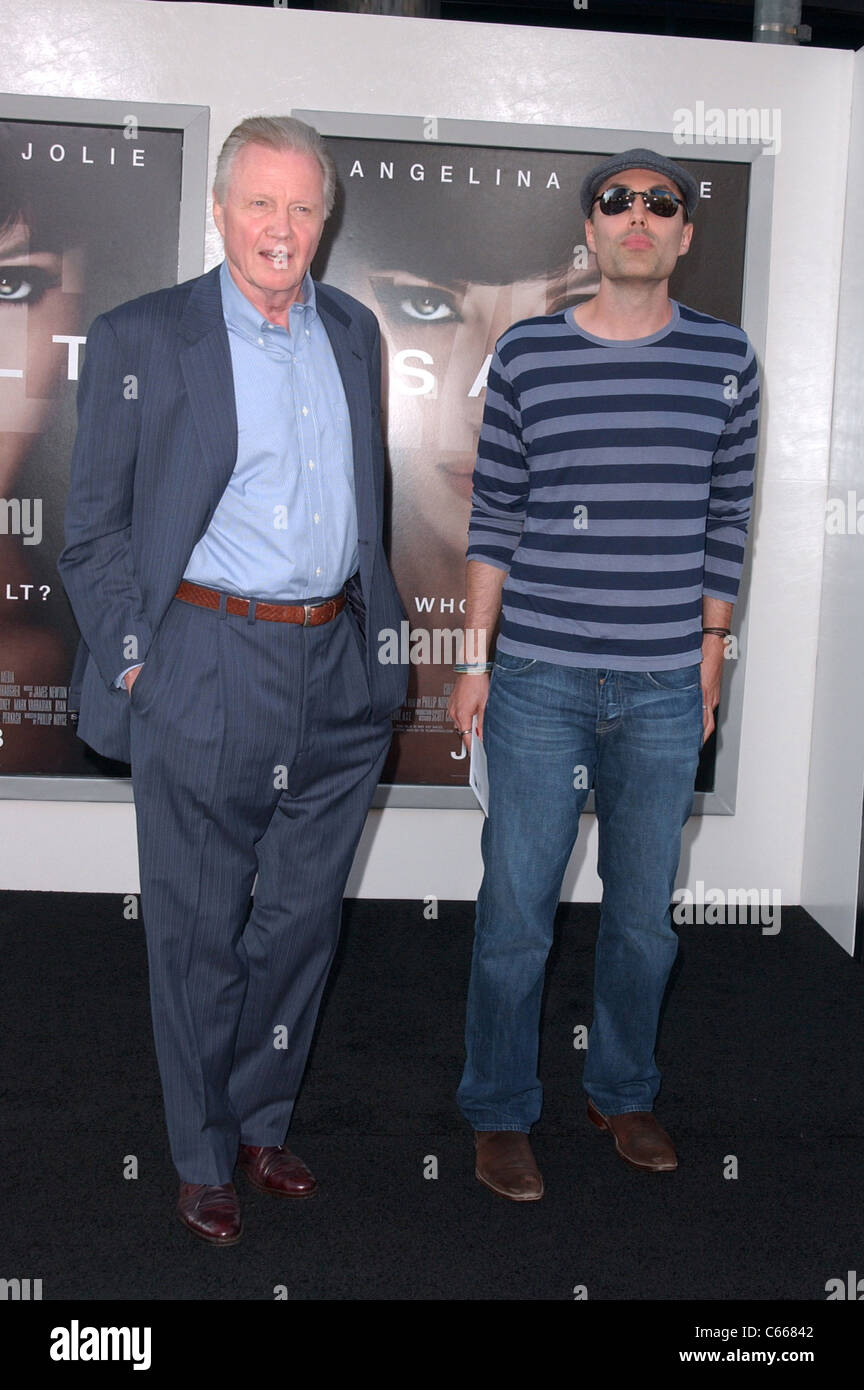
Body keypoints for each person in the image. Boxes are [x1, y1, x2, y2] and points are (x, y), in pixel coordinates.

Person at [58, 115, 408, 1244]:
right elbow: (95, 531)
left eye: (304, 207)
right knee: (199, 928)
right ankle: (202, 1150)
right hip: (208, 659)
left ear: (325, 219)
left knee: (302, 924)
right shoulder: (143, 336)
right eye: (260, 203)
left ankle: (263, 1120)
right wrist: (139, 656)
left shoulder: (353, 332)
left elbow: (368, 504)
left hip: (338, 665)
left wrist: (377, 653)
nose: (282, 227)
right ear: (219, 212)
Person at [448, 148, 759, 1200]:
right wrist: (474, 657)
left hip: (666, 686)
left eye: (659, 204)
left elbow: (726, 517)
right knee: (515, 912)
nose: (637, 216)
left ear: (683, 235)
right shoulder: (529, 354)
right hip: (536, 677)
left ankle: (621, 1090)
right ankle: (498, 1110)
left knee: (642, 917)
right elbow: (495, 517)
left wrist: (712, 653)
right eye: (616, 202)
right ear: (589, 232)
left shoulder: (728, 359)